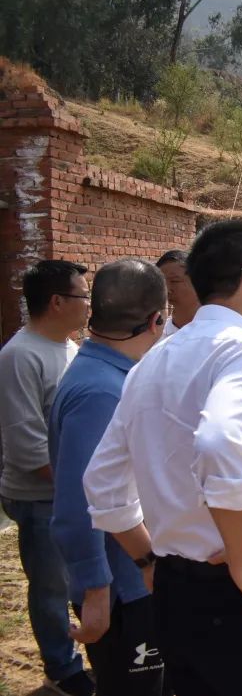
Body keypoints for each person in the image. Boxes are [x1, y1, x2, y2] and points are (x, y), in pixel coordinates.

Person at [83, 219, 242, 696]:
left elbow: (102, 485)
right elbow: (220, 443)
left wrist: (148, 562)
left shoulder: (153, 361)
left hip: (176, 594)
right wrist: (239, 558)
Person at [49, 259, 168, 696]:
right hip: (124, 585)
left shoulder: (108, 375)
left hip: (129, 578)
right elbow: (79, 502)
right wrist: (96, 590)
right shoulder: (102, 391)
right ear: (157, 320)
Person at [0, 259, 94, 696]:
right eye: (83, 296)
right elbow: (27, 445)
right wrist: (80, 485)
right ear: (57, 302)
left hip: (74, 491)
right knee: (52, 585)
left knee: (83, 578)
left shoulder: (71, 348)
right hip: (41, 496)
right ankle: (62, 668)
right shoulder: (19, 356)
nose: (89, 305)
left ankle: (91, 653)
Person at [155, 250, 199, 337]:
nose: (166, 290)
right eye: (161, 282)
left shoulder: (218, 335)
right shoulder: (152, 337)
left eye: (175, 281)